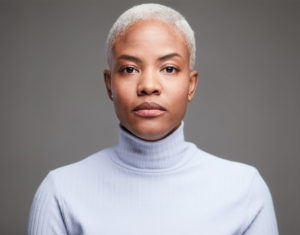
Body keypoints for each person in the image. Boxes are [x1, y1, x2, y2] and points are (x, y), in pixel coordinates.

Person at [27, 3, 279, 235]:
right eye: (129, 69)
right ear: (109, 84)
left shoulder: (244, 190)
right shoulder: (61, 192)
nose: (148, 86)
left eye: (169, 68)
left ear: (191, 85)